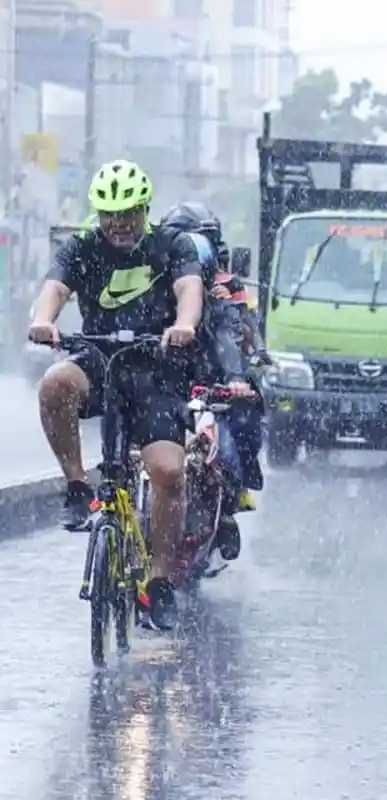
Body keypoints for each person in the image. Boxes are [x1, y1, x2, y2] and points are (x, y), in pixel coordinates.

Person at [29, 160, 206, 630]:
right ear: (99, 214)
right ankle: (76, 487)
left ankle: (162, 581)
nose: (120, 223)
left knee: (169, 472)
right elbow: (55, 288)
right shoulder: (82, 248)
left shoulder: (171, 244)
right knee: (54, 384)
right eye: (110, 214)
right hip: (100, 359)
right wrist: (44, 320)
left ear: (144, 209)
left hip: (155, 368)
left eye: (129, 212)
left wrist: (184, 324)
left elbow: (190, 288)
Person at [159, 203, 262, 533]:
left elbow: (230, 335)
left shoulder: (225, 291)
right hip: (161, 382)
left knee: (233, 442)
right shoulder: (150, 290)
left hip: (212, 384)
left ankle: (229, 504)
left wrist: (235, 378)